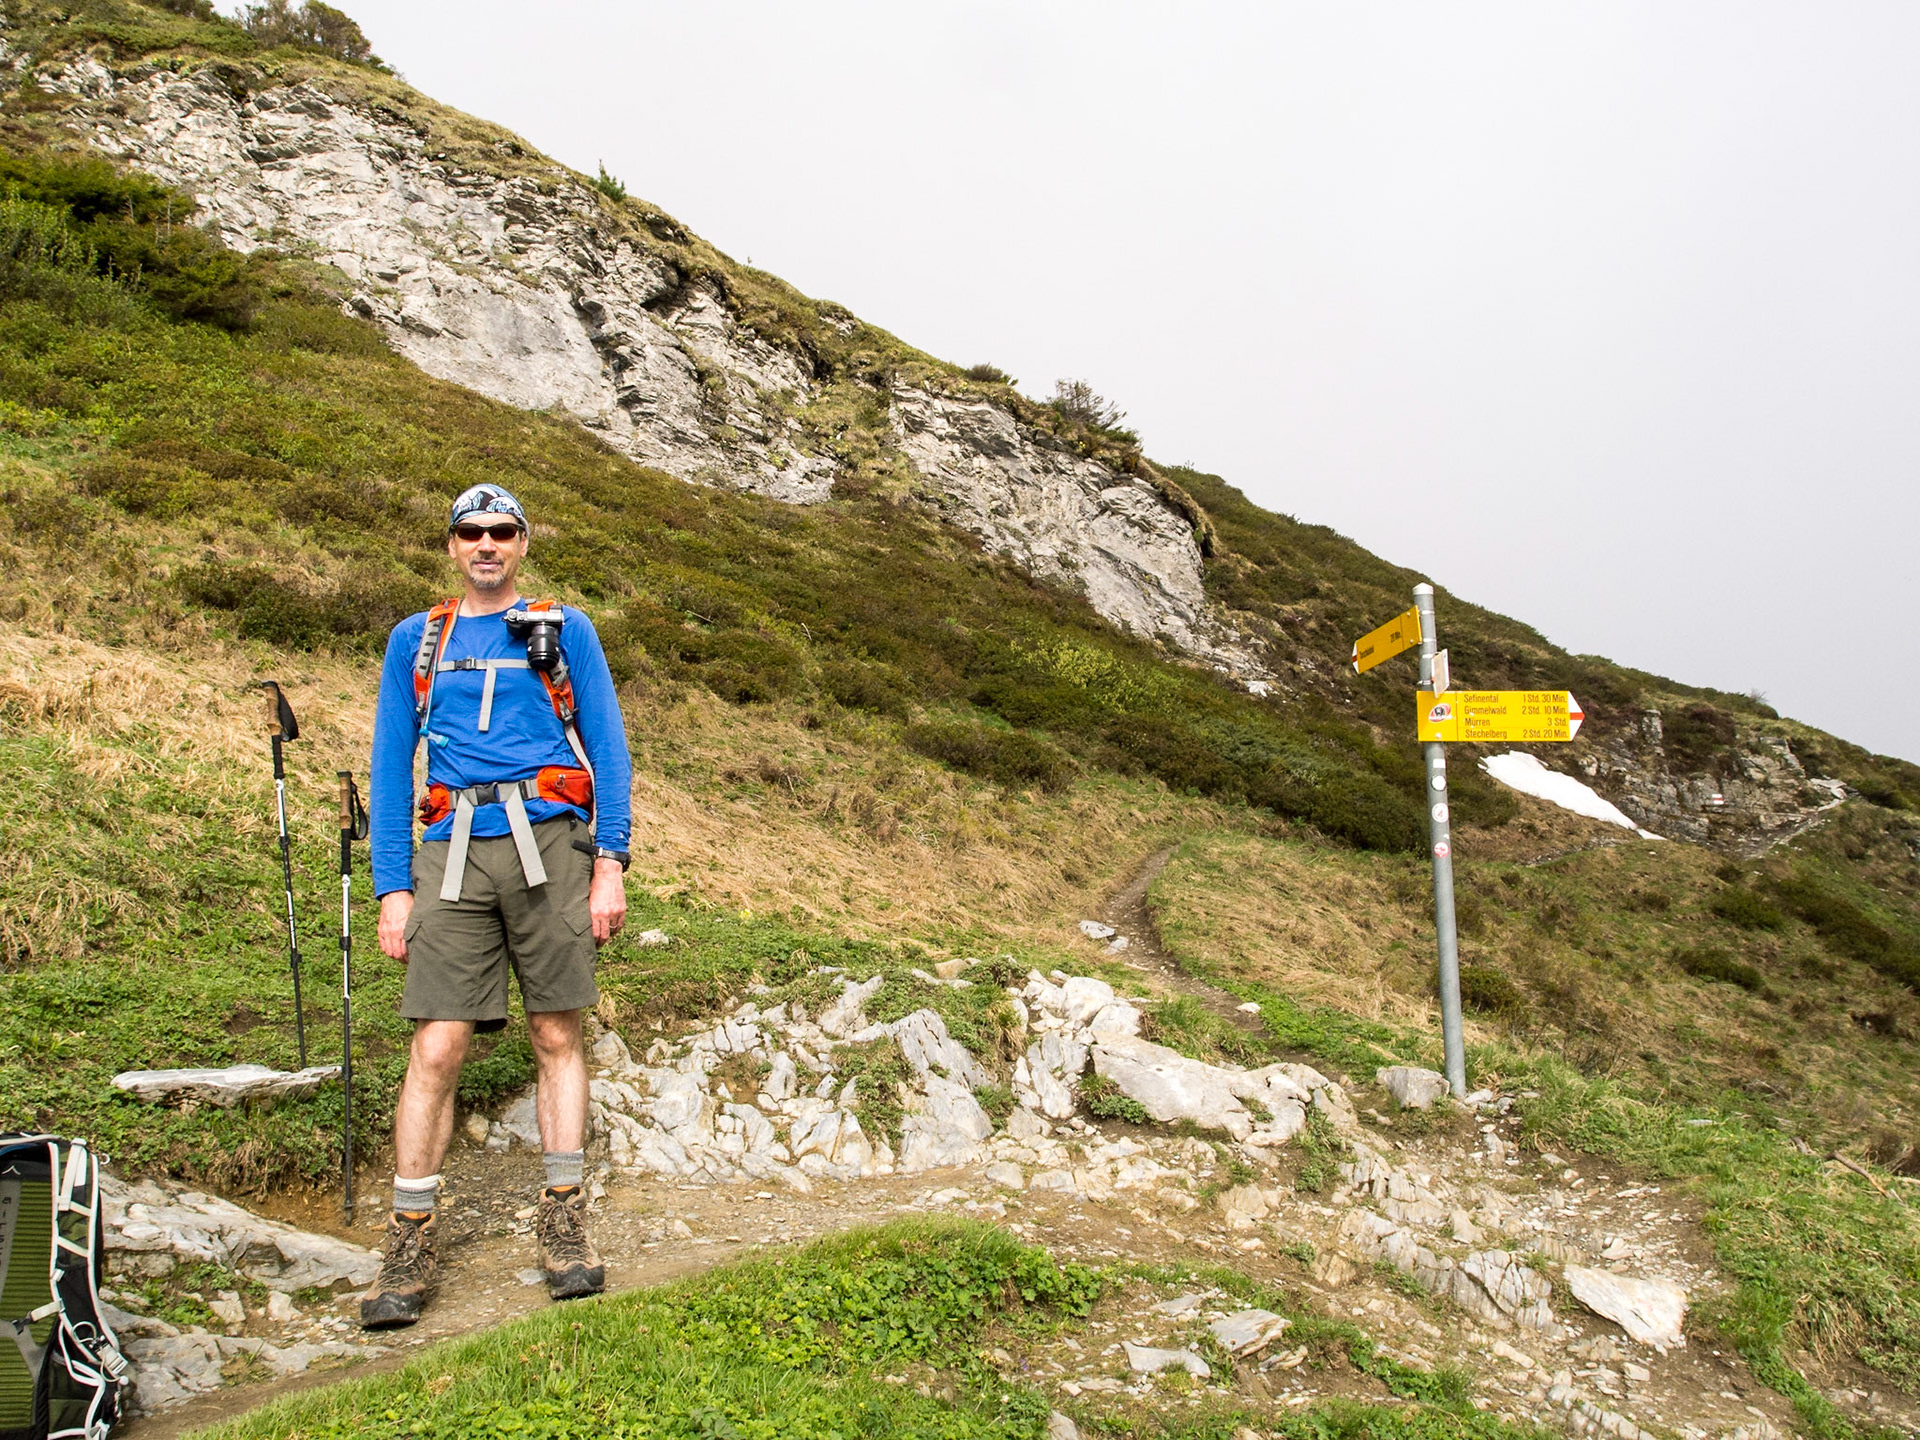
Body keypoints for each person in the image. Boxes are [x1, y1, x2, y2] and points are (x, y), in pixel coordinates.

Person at [357, 484, 633, 1329]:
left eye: (501, 531)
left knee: (556, 1030)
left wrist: (611, 861)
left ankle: (562, 1219)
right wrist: (393, 888)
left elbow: (611, 748)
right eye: (470, 532)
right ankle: (408, 1239)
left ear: (523, 542)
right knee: (436, 1045)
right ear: (451, 546)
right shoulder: (417, 640)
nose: (486, 543)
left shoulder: (566, 630)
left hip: (552, 843)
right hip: (451, 849)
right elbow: (390, 765)